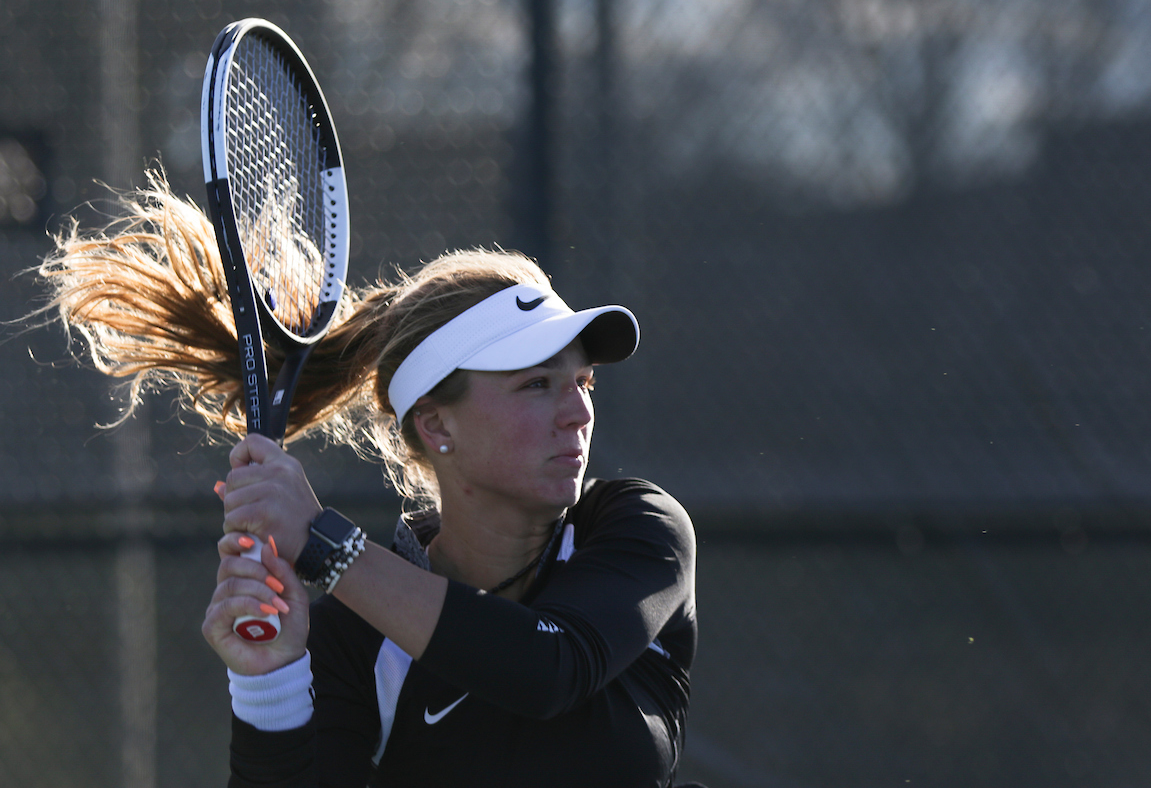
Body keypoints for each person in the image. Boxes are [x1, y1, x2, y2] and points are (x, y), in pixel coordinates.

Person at [33, 174, 702, 787]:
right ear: (438, 426)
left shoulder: (635, 529)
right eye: (537, 385)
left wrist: (325, 546)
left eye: (582, 381)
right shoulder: (352, 641)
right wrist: (268, 682)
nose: (578, 411)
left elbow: (549, 670)